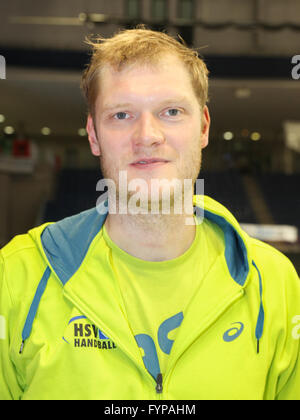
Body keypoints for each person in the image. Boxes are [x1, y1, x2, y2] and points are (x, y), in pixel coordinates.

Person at [0, 26, 300, 401]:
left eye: (171, 111)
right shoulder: (16, 277)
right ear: (93, 135)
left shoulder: (274, 282)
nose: (147, 135)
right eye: (122, 115)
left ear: (204, 126)